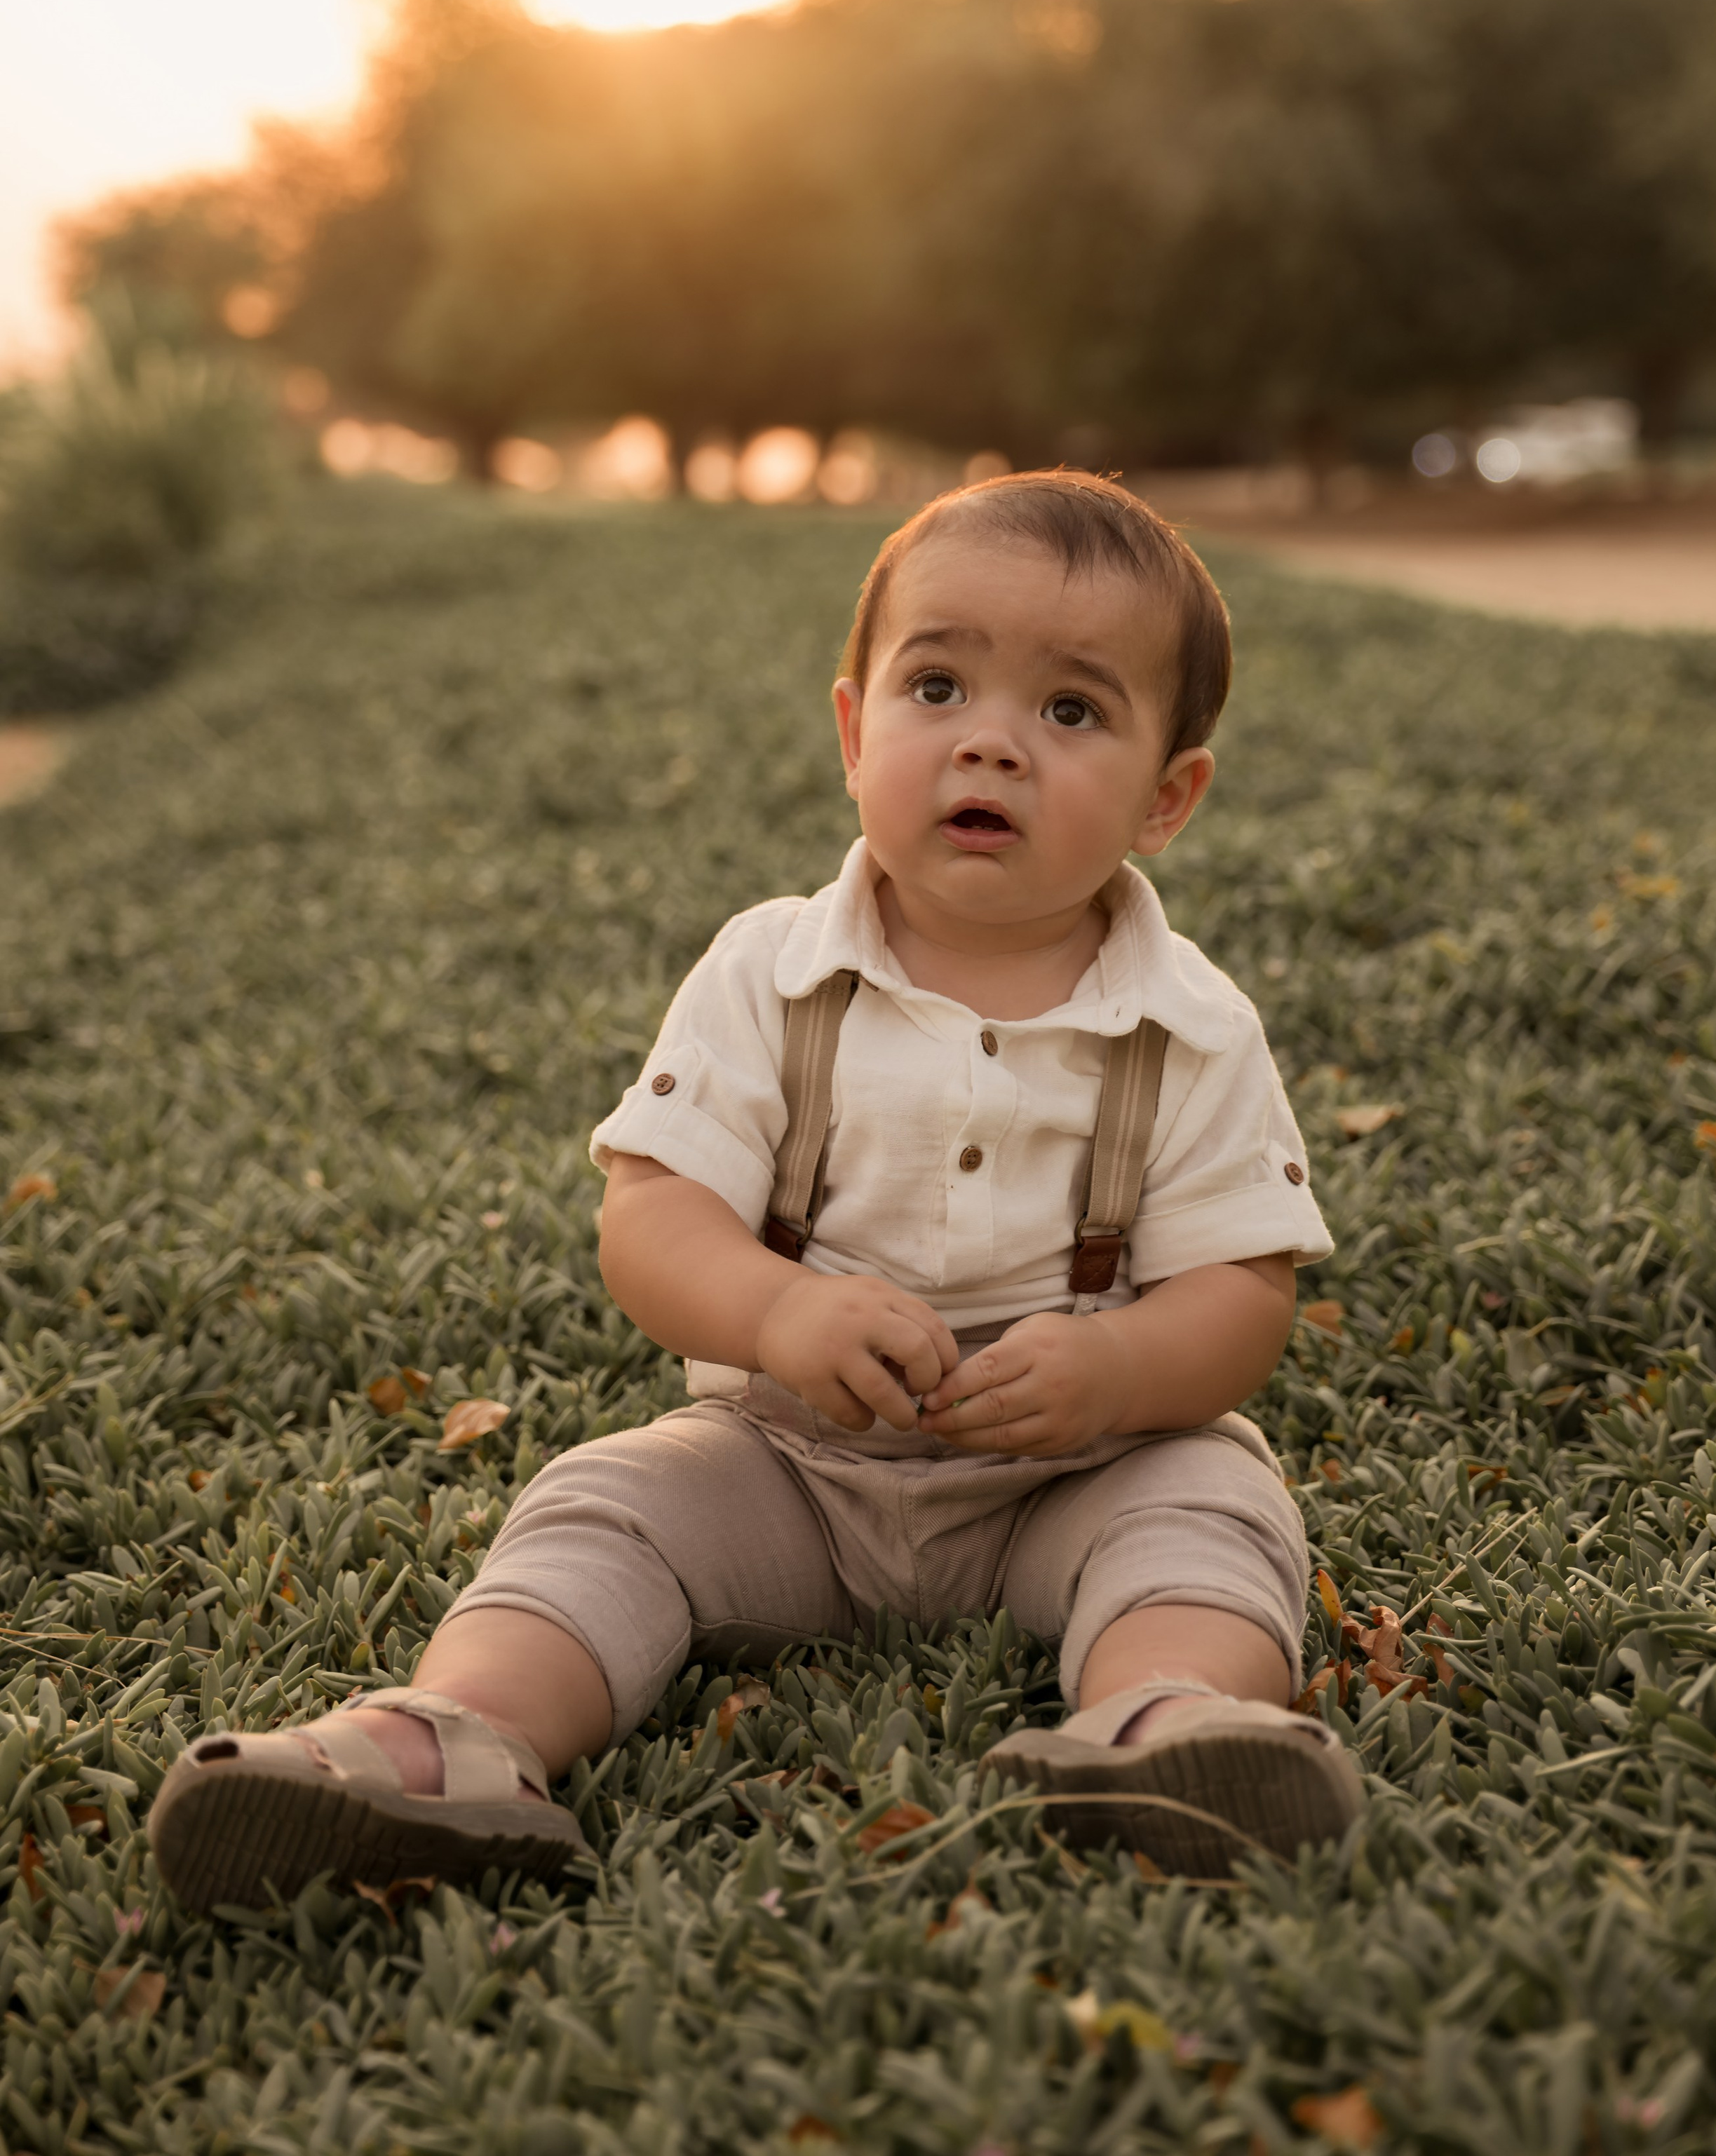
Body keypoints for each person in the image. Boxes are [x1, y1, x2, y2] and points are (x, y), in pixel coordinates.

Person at [149, 470, 1360, 1913]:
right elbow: (652, 1217)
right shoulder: (770, 972)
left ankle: (1167, 1721)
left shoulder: (1192, 1024)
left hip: (1078, 1473)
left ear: (1167, 797)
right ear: (853, 731)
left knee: (1212, 1498)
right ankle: (449, 1737)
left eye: (1070, 708)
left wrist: (1117, 1370)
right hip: (785, 1462)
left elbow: (1241, 1291)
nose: (989, 740)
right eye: (936, 685)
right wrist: (778, 1311)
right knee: (608, 1503)